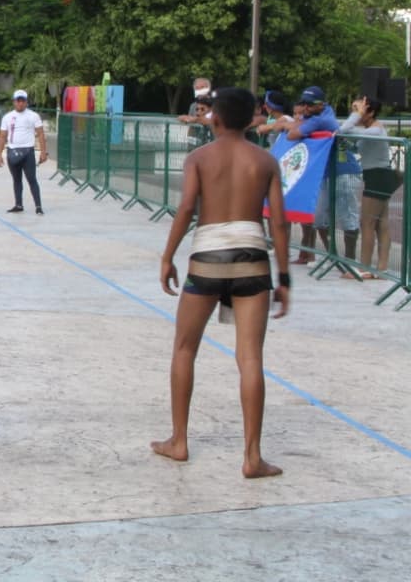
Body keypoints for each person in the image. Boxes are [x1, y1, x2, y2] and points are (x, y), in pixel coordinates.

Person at [153, 87, 290, 479]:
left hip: (208, 257)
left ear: (214, 117)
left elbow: (186, 209)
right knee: (250, 358)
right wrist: (285, 278)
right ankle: (252, 456)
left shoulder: (199, 158)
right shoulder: (265, 161)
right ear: (252, 119)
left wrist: (167, 257)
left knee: (184, 348)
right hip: (252, 259)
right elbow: (278, 223)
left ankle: (178, 440)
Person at [285, 85, 362, 261]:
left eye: (310, 104)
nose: (306, 108)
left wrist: (297, 123)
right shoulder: (318, 114)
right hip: (326, 172)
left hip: (344, 170)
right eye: (304, 104)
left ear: (321, 104)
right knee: (319, 218)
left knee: (347, 216)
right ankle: (333, 256)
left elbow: (292, 134)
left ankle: (349, 260)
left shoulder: (320, 119)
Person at [339, 96, 397, 279]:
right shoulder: (369, 130)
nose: (355, 113)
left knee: (368, 222)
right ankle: (381, 268)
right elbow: (355, 144)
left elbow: (343, 129)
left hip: (379, 176)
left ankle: (365, 268)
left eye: (359, 109)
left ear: (370, 112)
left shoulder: (376, 130)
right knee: (380, 223)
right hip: (378, 175)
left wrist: (356, 115)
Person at [0, 89, 47, 214]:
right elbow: (2, 136)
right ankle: (18, 204)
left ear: (26, 102)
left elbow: (40, 134)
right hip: (12, 151)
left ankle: (38, 206)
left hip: (28, 152)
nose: (20, 103)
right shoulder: (8, 117)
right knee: (16, 180)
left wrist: (43, 152)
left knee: (32, 179)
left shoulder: (33, 116)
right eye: (18, 101)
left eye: (22, 101)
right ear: (14, 102)